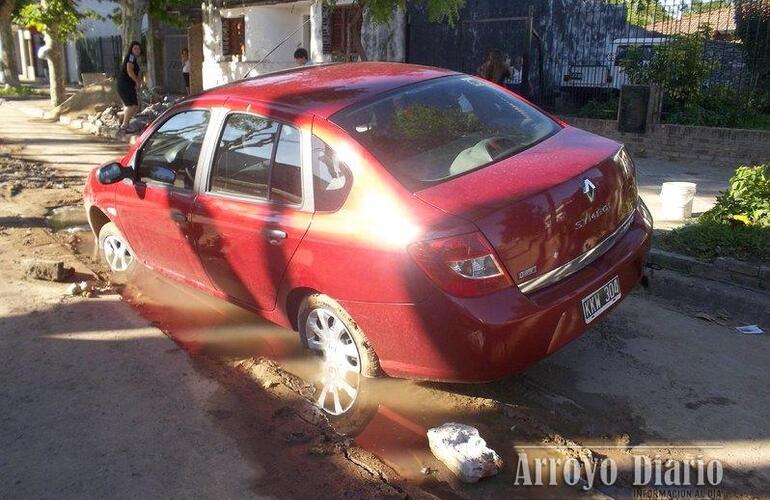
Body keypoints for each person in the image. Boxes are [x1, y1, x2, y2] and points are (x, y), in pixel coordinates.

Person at [117, 41, 142, 133]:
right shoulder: (131, 57)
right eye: (135, 48)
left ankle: (121, 116)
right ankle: (124, 125)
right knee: (132, 106)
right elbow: (129, 70)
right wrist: (137, 82)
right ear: (131, 49)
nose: (137, 50)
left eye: (138, 48)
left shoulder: (134, 59)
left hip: (129, 85)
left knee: (134, 106)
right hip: (125, 85)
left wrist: (138, 82)